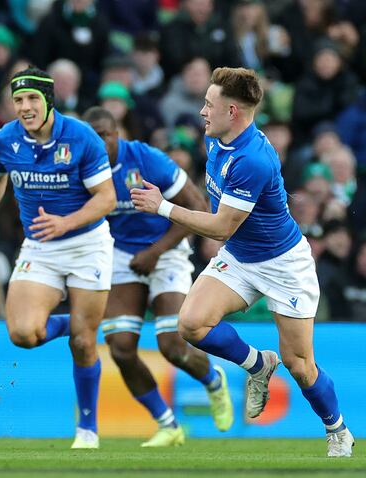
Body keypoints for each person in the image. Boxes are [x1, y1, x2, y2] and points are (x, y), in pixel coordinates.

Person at [131, 67, 354, 457]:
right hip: (241, 255)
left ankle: (337, 430)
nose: (202, 111)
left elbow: (219, 227)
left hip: (284, 264)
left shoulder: (253, 158)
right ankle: (256, 365)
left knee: (300, 365)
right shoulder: (218, 138)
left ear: (232, 111)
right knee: (191, 324)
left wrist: (163, 207)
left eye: (208, 104)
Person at [0, 67, 116, 449]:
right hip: (41, 246)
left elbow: (106, 198)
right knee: (23, 334)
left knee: (85, 345)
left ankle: (87, 429)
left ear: (49, 100)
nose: (25, 107)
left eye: (32, 99)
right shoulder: (5, 139)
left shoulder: (81, 137)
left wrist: (66, 223)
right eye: (18, 100)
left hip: (86, 244)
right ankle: (77, 321)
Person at [83, 107, 233, 447]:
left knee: (173, 345)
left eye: (105, 133)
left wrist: (155, 252)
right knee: (120, 348)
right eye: (92, 136)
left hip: (166, 250)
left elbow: (199, 207)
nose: (99, 141)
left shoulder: (148, 159)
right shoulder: (82, 168)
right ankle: (168, 425)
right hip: (120, 254)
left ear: (118, 132)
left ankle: (213, 381)